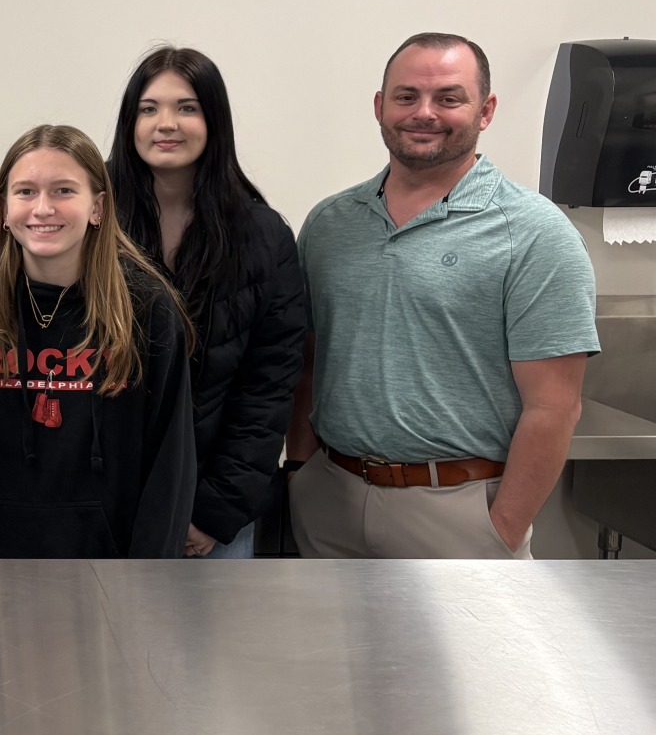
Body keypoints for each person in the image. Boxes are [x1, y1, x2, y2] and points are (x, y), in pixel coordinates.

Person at [288, 33, 596, 559]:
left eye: (449, 98)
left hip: (459, 513)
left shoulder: (534, 232)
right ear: (381, 107)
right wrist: (300, 472)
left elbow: (554, 405)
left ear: (486, 111)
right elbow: (308, 364)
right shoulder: (329, 223)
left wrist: (501, 527)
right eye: (406, 97)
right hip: (328, 501)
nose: (424, 113)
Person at [0, 126, 194, 558]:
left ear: (97, 207)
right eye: (25, 191)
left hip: (112, 572)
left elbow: (170, 464)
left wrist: (150, 580)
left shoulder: (146, 310)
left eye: (63, 190)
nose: (43, 208)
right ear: (4, 209)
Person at [107, 47, 307, 558]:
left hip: (213, 516)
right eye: (148, 108)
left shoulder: (262, 235)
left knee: (205, 640)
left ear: (214, 120)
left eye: (187, 107)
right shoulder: (91, 221)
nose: (165, 123)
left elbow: (268, 389)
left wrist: (214, 511)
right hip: (103, 504)